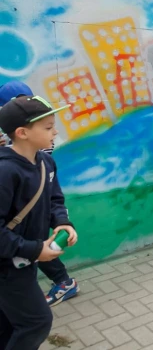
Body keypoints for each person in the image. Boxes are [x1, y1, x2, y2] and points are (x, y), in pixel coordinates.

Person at [0, 95, 78, 349]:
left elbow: (55, 198)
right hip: (7, 265)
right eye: (47, 127)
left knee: (10, 323)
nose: (55, 131)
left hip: (25, 260)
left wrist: (62, 222)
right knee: (36, 321)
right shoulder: (6, 172)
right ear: (22, 132)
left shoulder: (45, 162)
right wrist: (34, 250)